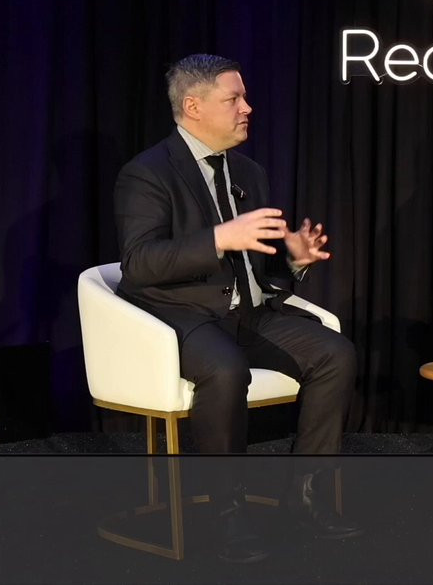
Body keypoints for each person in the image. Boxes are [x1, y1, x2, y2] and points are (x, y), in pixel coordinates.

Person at [113, 54, 359, 559]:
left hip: (250, 314)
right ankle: (227, 512)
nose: (247, 107)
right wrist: (218, 238)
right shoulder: (147, 173)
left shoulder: (248, 172)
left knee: (336, 354)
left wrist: (293, 261)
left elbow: (255, 270)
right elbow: (138, 263)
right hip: (184, 315)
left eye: (244, 97)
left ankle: (305, 497)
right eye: (234, 99)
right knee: (226, 370)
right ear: (193, 106)